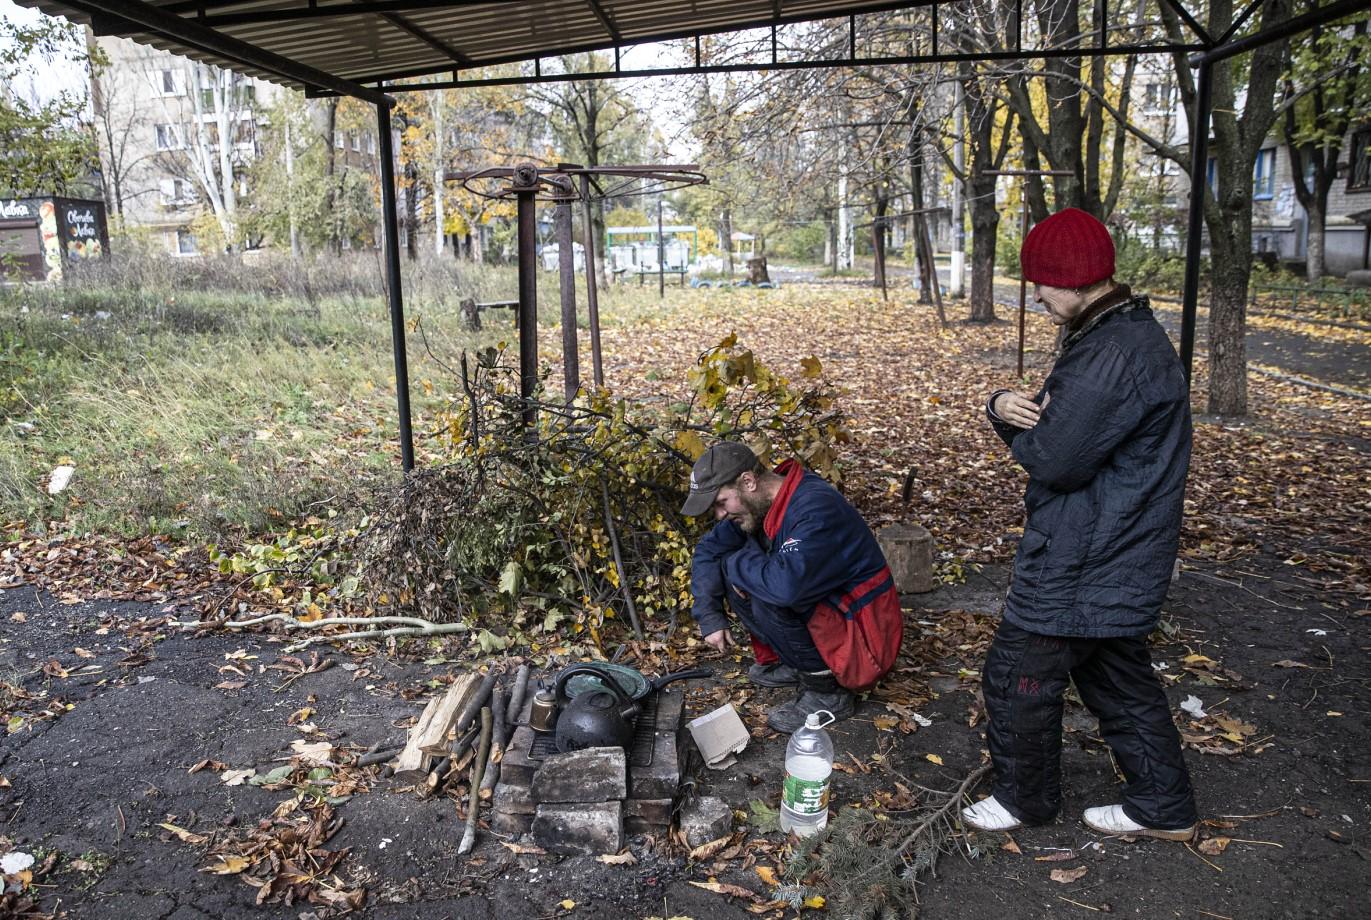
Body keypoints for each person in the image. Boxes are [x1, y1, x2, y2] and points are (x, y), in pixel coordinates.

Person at [960, 207, 1199, 841]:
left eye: (1040, 282)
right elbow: (1067, 430)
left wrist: (1003, 418)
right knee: (1115, 674)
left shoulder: (1112, 352)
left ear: (1073, 280)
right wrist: (1010, 410)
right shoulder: (1116, 335)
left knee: (1016, 676)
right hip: (1118, 544)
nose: (1034, 295)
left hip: (1087, 551)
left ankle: (1025, 799)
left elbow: (1054, 458)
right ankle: (1164, 805)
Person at [683, 441, 903, 732]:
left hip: (866, 635)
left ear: (748, 481)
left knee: (766, 588)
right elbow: (709, 551)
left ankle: (828, 692)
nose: (720, 515)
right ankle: (796, 663)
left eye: (722, 503)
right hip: (832, 615)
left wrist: (736, 565)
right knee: (741, 571)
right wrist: (710, 616)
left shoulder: (815, 508)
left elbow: (784, 588)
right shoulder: (759, 506)